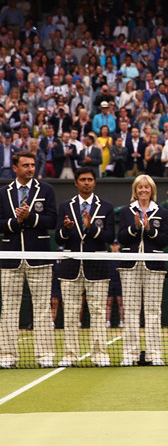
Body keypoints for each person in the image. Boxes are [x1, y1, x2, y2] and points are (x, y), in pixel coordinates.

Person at [0, 151, 57, 369]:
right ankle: (7, 356)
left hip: (39, 256)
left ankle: (45, 356)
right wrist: (15, 222)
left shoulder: (47, 190)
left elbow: (52, 220)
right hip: (11, 256)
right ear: (15, 167)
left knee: (42, 308)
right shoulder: (4, 192)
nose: (30, 169)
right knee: (9, 309)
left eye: (32, 165)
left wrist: (30, 218)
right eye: (25, 165)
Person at [55, 167, 115, 367]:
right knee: (70, 313)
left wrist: (91, 228)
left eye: (90, 179)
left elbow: (108, 237)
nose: (87, 182)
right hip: (71, 267)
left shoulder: (105, 206)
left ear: (95, 182)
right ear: (76, 183)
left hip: (96, 267)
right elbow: (58, 237)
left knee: (98, 312)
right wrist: (66, 229)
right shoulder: (65, 206)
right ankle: (70, 355)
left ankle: (99, 355)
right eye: (83, 179)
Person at [117, 175, 168, 366]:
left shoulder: (161, 212)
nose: (143, 190)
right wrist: (135, 227)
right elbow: (122, 237)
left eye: (147, 187)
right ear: (135, 190)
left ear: (152, 190)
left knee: (153, 311)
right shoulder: (125, 211)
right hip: (130, 266)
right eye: (140, 187)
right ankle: (129, 355)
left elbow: (165, 240)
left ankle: (154, 355)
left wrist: (149, 229)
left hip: (153, 267)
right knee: (131, 311)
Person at [105, 240, 124, 329]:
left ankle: (122, 321)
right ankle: (107, 322)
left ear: (119, 246)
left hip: (120, 282)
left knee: (121, 302)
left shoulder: (122, 256)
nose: (114, 246)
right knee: (109, 303)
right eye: (113, 245)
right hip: (110, 282)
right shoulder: (108, 256)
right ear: (110, 246)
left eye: (116, 245)